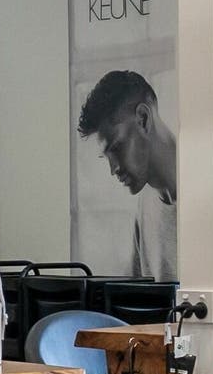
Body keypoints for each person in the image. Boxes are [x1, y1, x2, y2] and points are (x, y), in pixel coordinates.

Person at [75, 68, 178, 278]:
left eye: (117, 148)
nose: (113, 169)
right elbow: (137, 294)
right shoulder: (146, 206)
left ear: (143, 119)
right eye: (106, 157)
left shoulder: (209, 191)